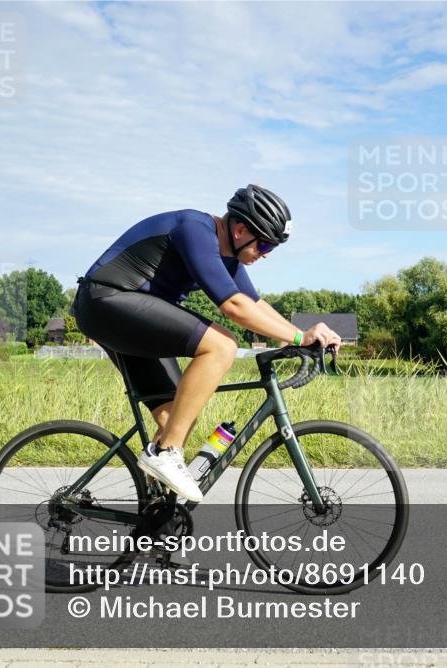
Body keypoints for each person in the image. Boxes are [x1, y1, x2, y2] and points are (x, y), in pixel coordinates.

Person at [72, 185, 341, 503]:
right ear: (240, 230)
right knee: (222, 345)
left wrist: (303, 335)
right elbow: (234, 307)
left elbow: (254, 303)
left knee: (177, 416)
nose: (266, 254)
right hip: (106, 302)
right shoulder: (195, 230)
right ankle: (165, 454)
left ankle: (156, 512)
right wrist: (299, 338)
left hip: (128, 314)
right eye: (264, 244)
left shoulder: (229, 257)